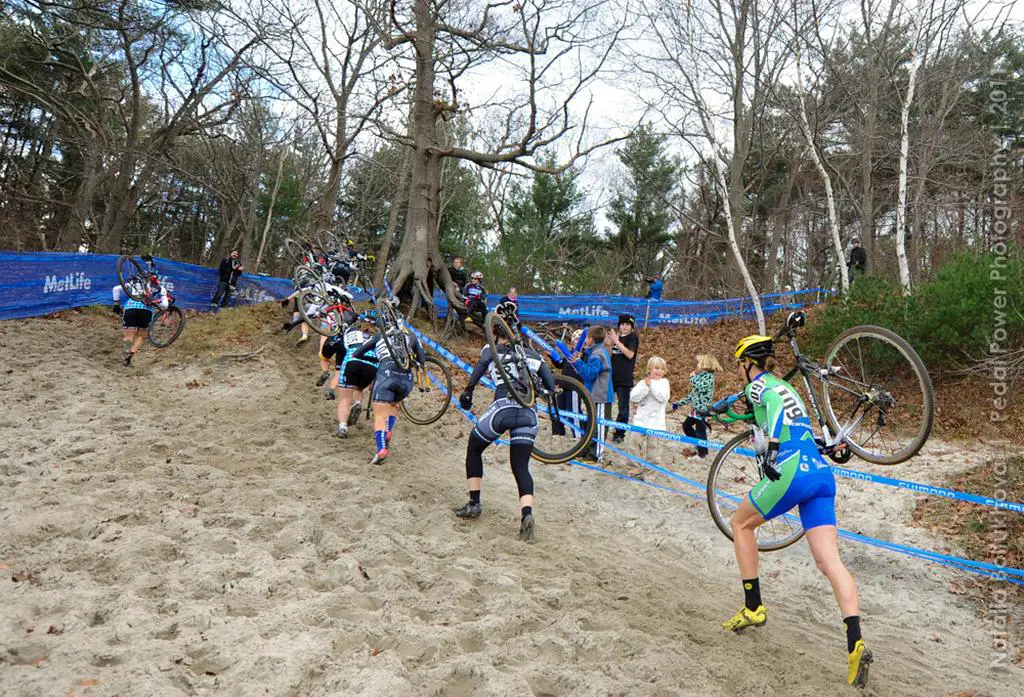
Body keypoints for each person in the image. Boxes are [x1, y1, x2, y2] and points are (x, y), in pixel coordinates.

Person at [720, 335, 871, 687]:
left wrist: (772, 447)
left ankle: (753, 606)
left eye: (739, 365)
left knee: (740, 524)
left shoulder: (763, 385)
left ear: (747, 363)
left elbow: (770, 407)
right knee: (830, 562)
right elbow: (792, 425)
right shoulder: (793, 392)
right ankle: (855, 641)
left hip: (790, 469)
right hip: (821, 474)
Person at [455, 321, 556, 542]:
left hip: (502, 408)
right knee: (520, 466)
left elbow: (480, 367)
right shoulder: (534, 355)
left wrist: (468, 391)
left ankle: (474, 503)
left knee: (474, 448)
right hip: (529, 413)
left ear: (494, 334)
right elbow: (550, 385)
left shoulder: (490, 349)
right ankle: (526, 514)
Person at [350, 324, 426, 465]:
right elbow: (422, 361)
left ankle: (381, 449)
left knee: (379, 416)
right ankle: (388, 430)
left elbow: (357, 353)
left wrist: (378, 359)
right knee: (392, 404)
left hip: (386, 376)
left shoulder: (379, 336)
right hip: (406, 381)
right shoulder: (412, 337)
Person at [324, 312, 378, 438]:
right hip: (372, 365)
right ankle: (358, 403)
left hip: (352, 361)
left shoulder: (351, 330)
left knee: (345, 399)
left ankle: (343, 427)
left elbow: (343, 344)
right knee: (359, 388)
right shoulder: (378, 337)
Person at [571, 326, 613, 462]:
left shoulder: (597, 354)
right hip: (593, 394)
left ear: (591, 339)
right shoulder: (594, 351)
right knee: (591, 424)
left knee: (599, 426)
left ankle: (596, 454)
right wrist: (579, 362)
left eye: (586, 338)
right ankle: (587, 449)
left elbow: (589, 374)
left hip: (601, 395)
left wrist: (578, 363)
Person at [672, 354, 723, 458]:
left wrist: (692, 378)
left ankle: (702, 454)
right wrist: (679, 403)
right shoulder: (699, 376)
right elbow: (692, 395)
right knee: (686, 426)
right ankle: (699, 445)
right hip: (694, 410)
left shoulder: (709, 377)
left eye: (698, 363)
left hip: (702, 410)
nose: (696, 365)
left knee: (701, 431)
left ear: (705, 365)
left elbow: (700, 387)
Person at [112, 277, 169, 368]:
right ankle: (128, 358)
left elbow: (115, 289)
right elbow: (165, 305)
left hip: (130, 308)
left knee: (128, 336)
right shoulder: (161, 288)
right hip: (146, 311)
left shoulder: (134, 284)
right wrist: (155, 303)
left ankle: (125, 354)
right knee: (141, 336)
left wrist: (116, 304)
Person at [628, 356, 670, 464]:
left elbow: (663, 397)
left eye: (662, 369)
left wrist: (651, 386)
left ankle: (650, 474)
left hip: (656, 424)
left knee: (654, 452)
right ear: (649, 369)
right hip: (640, 421)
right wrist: (645, 387)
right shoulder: (643, 383)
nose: (659, 371)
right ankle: (633, 470)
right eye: (656, 368)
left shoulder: (664, 383)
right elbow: (633, 397)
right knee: (633, 446)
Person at [609, 314, 639, 443]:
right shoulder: (616, 337)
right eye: (622, 324)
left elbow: (630, 354)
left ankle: (619, 434)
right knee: (606, 404)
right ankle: (602, 427)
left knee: (623, 408)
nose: (624, 327)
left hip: (624, 378)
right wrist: (610, 343)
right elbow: (609, 354)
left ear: (631, 327)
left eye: (627, 325)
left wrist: (617, 342)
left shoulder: (633, 338)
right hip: (611, 376)